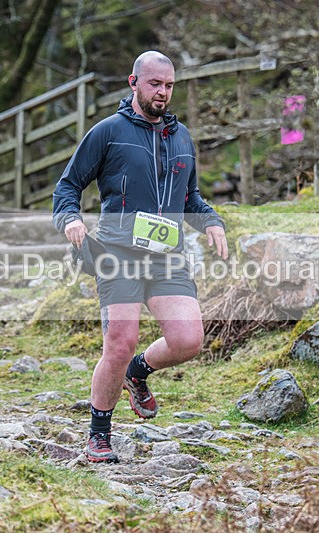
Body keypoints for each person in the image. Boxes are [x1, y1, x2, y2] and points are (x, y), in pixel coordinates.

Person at [52, 50, 228, 463]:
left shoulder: (182, 137)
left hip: (167, 254)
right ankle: (99, 432)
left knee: (188, 341)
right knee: (119, 341)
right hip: (117, 253)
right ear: (134, 83)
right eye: (155, 84)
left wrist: (212, 222)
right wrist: (70, 221)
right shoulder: (107, 132)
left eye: (168, 86)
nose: (163, 93)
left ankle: (139, 372)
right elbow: (66, 188)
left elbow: (191, 198)